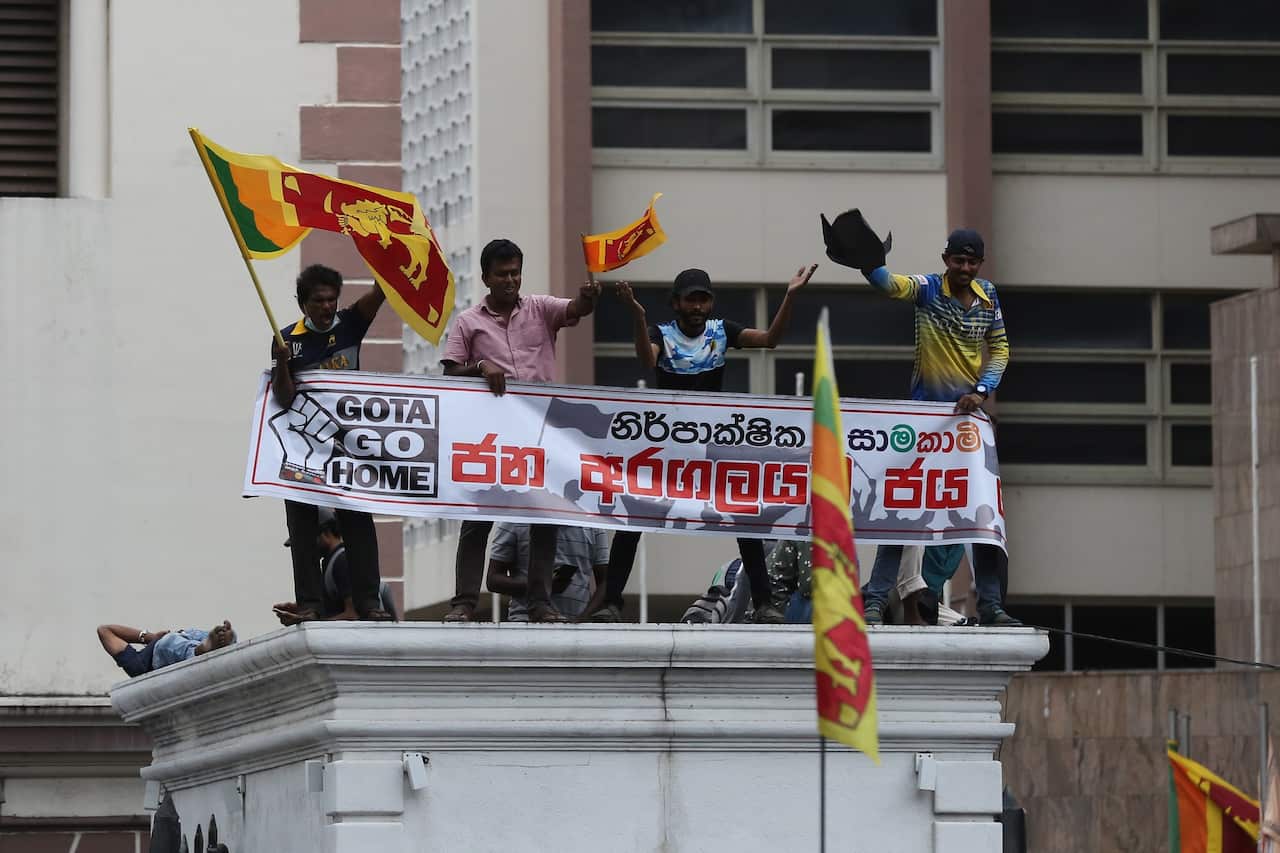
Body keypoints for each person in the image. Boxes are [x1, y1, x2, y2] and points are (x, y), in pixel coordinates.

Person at [589, 264, 817, 625]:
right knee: (633, 515)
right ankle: (611, 602)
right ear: (675, 303)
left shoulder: (721, 331)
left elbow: (770, 340)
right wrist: (637, 316)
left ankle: (764, 602)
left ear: (711, 303)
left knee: (744, 514)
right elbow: (647, 360)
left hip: (712, 446)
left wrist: (790, 296)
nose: (697, 307)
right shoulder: (661, 333)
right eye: (690, 300)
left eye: (703, 300)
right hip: (668, 447)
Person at [824, 213, 1017, 626]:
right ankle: (875, 600)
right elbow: (891, 285)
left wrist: (981, 391)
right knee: (901, 510)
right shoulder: (929, 288)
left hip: (966, 424)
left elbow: (1000, 349)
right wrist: (869, 263)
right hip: (923, 422)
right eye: (958, 261)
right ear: (945, 259)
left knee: (981, 516)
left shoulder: (988, 296)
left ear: (981, 264)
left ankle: (991, 606)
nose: (965, 268)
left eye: (972, 262)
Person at [439, 238, 601, 623]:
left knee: (544, 516)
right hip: (490, 437)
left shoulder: (541, 308)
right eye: (502, 274)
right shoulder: (468, 321)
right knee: (477, 518)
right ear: (485, 278)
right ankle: (464, 603)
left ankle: (541, 603)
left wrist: (588, 298)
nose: (510, 280)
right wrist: (480, 367)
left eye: (515, 273)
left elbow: (575, 310)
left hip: (538, 433)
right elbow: (450, 372)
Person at [270, 263, 392, 622]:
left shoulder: (351, 323)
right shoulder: (286, 340)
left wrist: (389, 256)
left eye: (331, 300)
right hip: (304, 447)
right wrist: (282, 364)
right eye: (318, 301)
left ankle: (369, 602)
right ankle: (310, 604)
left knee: (358, 520)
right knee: (303, 526)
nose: (326, 307)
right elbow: (283, 398)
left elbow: (380, 292)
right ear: (302, 303)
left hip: (348, 447)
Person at [274, 513, 398, 623]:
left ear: (325, 534)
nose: (305, 549)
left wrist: (316, 624)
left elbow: (353, 615)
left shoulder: (341, 561)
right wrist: (300, 610)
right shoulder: (331, 562)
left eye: (308, 541)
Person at [485, 523, 609, 622]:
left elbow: (605, 582)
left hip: (576, 627)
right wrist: (540, 586)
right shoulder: (516, 520)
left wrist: (583, 618)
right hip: (525, 622)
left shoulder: (593, 525)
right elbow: (492, 580)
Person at [97, 621, 235, 678]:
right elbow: (104, 630)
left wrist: (151, 637)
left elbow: (104, 631)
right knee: (173, 643)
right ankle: (214, 643)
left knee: (178, 642)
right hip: (173, 644)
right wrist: (149, 637)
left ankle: (212, 642)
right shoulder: (137, 666)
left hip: (180, 640)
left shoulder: (135, 664)